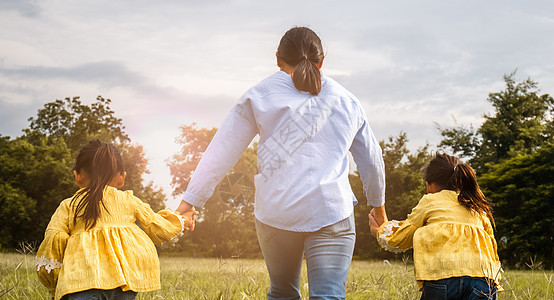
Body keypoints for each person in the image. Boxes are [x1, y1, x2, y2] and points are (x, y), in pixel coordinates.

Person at [176, 26, 386, 299]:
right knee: (329, 295)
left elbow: (222, 150)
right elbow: (371, 159)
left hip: (276, 212)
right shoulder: (347, 101)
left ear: (278, 58)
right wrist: (378, 209)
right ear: (322, 61)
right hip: (332, 211)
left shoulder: (258, 95)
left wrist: (191, 201)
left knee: (283, 293)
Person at [36, 139, 197, 300]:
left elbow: (53, 239)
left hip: (80, 284)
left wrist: (54, 283)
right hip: (124, 284)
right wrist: (183, 219)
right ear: (122, 178)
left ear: (78, 176)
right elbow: (159, 227)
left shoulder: (69, 205)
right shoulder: (129, 200)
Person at [369, 153, 502, 300]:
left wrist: (379, 231)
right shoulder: (477, 206)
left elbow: (402, 236)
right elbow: (492, 245)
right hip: (484, 278)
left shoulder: (430, 201)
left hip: (443, 278)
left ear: (429, 184)